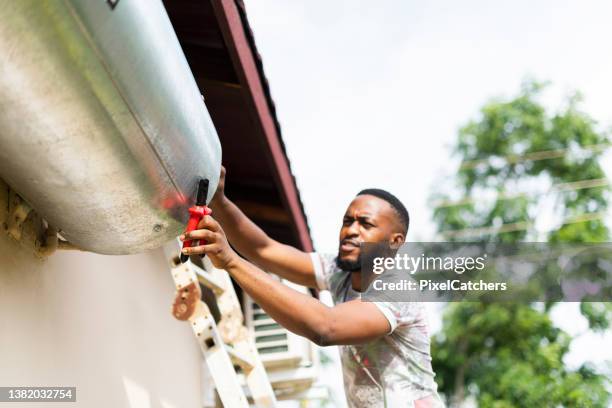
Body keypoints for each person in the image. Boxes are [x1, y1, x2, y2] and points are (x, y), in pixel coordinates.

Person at [180, 167, 444, 407]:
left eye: (366, 224)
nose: (351, 230)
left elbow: (325, 327)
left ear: (395, 242)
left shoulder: (398, 289)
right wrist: (220, 202)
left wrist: (230, 260)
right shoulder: (340, 271)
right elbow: (265, 249)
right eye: (347, 221)